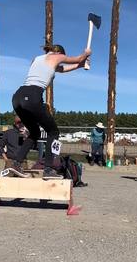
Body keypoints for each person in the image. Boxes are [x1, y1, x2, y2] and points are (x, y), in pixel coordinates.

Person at [11, 44, 91, 179]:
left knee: (35, 132)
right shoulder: (57, 56)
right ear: (60, 53)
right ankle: (48, 169)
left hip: (17, 96)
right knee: (53, 131)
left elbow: (62, 69)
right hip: (33, 95)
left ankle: (16, 163)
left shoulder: (38, 58)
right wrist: (86, 54)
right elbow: (77, 58)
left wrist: (80, 65)